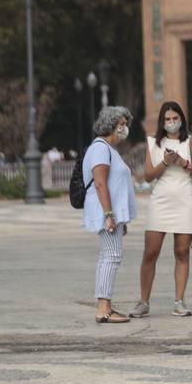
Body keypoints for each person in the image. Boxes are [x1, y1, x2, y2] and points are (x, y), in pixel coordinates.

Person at [132, 101, 192, 319]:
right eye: (167, 119)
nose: (171, 123)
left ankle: (179, 301)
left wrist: (185, 163)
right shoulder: (153, 144)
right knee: (150, 252)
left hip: (185, 201)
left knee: (181, 252)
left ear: (182, 120)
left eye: (175, 118)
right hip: (161, 201)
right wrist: (166, 162)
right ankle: (143, 301)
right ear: (162, 122)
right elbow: (148, 176)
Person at [84, 106, 138, 324]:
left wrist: (119, 217)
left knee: (108, 256)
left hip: (112, 213)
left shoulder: (109, 149)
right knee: (111, 257)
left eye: (126, 124)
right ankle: (103, 308)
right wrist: (109, 214)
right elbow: (100, 183)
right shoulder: (100, 149)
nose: (125, 129)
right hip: (105, 212)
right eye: (121, 125)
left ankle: (104, 305)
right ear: (110, 125)